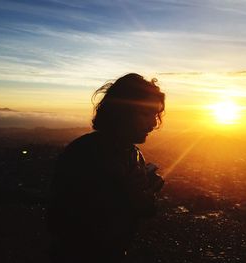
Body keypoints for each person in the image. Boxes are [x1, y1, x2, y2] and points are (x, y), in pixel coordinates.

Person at [47, 73, 165, 262]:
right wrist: (125, 195)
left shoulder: (133, 154)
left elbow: (141, 210)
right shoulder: (83, 153)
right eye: (145, 113)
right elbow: (60, 221)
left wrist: (145, 195)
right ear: (121, 112)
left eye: (155, 114)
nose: (153, 123)